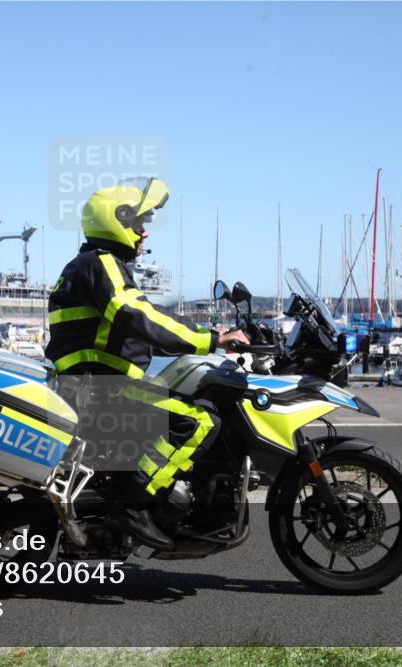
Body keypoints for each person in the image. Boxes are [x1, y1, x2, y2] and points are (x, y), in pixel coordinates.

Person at [45, 177, 249, 550]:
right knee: (199, 421)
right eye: (139, 225)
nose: (144, 235)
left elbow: (144, 320)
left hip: (92, 383)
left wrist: (201, 334)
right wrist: (211, 341)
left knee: (185, 404)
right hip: (97, 389)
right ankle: (134, 505)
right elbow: (139, 316)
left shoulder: (94, 265)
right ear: (116, 223)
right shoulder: (101, 264)